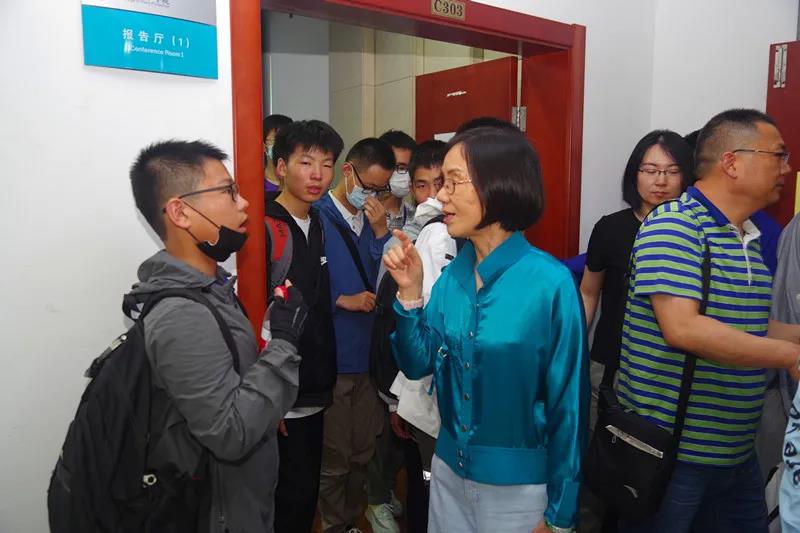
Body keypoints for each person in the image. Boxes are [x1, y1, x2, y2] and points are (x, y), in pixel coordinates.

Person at [384, 126, 588, 533]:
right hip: (447, 474)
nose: (440, 196)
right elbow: (417, 364)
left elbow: (570, 406)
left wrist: (560, 514)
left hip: (518, 490)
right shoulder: (453, 278)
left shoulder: (550, 284)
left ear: (499, 184)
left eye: (453, 182)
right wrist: (409, 294)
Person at [616, 109, 800, 533]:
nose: (786, 168)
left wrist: (791, 341)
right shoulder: (676, 224)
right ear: (732, 162)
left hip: (734, 454)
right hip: (675, 456)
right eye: (778, 155)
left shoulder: (746, 237)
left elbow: (751, 330)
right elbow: (684, 328)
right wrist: (789, 355)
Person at [126, 139, 308, 532]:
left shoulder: (211, 289)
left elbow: (235, 393)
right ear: (180, 212)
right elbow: (231, 433)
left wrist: (267, 405)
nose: (244, 204)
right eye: (228, 191)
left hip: (243, 499)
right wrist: (284, 341)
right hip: (222, 515)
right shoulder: (182, 316)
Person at [579, 130, 694, 532]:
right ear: (635, 174)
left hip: (666, 374)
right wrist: (576, 349)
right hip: (608, 367)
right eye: (650, 170)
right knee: (601, 461)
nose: (660, 181)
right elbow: (589, 292)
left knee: (652, 472)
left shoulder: (693, 233)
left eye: (671, 171)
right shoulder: (610, 228)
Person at [367, 139, 449, 533]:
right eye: (422, 185)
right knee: (426, 485)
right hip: (417, 384)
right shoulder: (417, 237)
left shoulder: (451, 236)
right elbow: (395, 318)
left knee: (431, 485)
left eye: (443, 183)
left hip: (442, 395)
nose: (434, 195)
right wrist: (396, 397)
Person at [266, 120, 344, 533]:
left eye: (327, 164)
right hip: (281, 393)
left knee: (304, 494)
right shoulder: (267, 226)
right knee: (285, 499)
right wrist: (269, 397)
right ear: (281, 167)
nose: (318, 175)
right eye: (306, 162)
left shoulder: (317, 223)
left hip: (314, 384)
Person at [315, 138, 395, 533]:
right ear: (348, 172)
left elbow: (384, 281)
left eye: (382, 189)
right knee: (334, 457)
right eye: (369, 187)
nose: (374, 196)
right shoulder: (317, 216)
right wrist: (339, 299)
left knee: (363, 451)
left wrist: (381, 234)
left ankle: (350, 519)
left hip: (369, 358)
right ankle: (333, 524)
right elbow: (295, 284)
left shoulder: (371, 222)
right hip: (335, 356)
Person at [379, 130, 417, 232]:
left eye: (409, 169)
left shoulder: (416, 217)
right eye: (400, 168)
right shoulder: (362, 212)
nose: (406, 175)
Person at [264, 114, 293, 193]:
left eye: (283, 141)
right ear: (263, 145)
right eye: (273, 140)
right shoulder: (256, 181)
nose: (279, 145)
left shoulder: (298, 179)